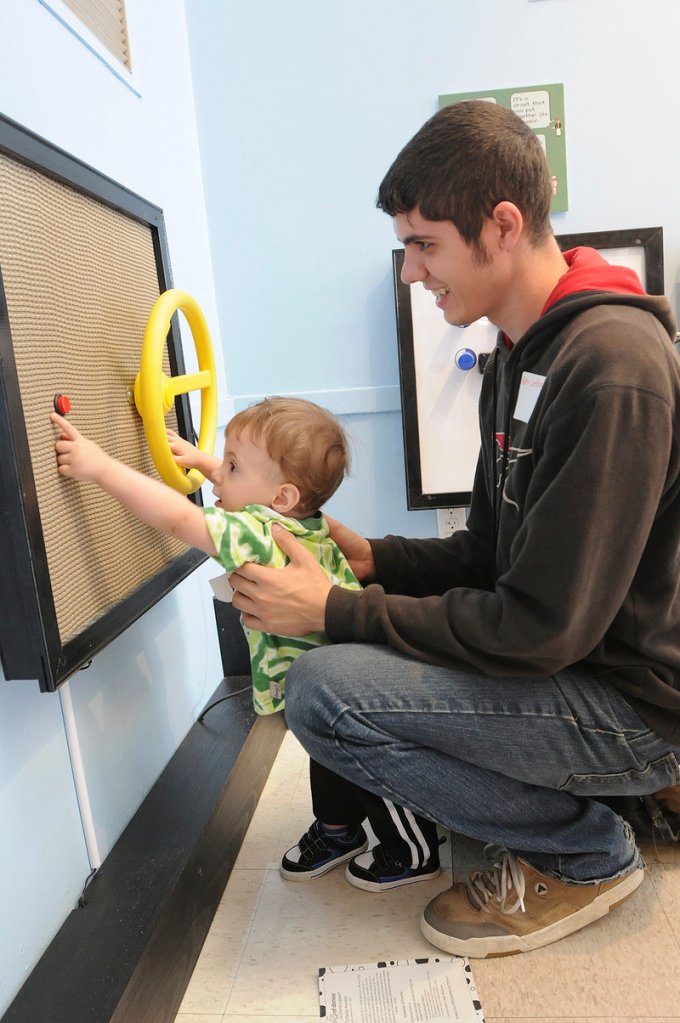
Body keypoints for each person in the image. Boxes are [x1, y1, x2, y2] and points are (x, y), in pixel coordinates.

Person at [226, 100, 680, 958]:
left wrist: (335, 609)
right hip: (580, 664)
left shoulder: (611, 366)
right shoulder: (521, 353)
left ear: (502, 226)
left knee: (324, 691)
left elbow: (538, 627)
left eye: (425, 243)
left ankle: (583, 851)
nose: (409, 271)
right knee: (350, 640)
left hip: (631, 703)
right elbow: (487, 554)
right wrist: (372, 560)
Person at [51, 395, 441, 890]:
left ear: (279, 496)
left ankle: (412, 848)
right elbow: (256, 490)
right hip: (320, 683)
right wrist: (205, 462)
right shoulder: (297, 516)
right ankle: (339, 831)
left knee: (359, 760)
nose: (218, 478)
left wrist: (100, 467)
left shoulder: (255, 531)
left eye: (231, 466)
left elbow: (178, 519)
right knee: (325, 753)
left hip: (341, 685)